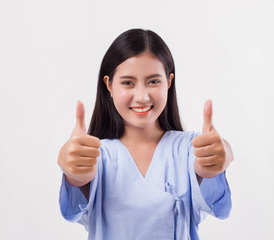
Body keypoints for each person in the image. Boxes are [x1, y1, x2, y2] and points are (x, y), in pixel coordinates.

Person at [57, 28, 233, 240]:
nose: (141, 96)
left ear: (169, 82)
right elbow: (71, 211)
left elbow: (221, 208)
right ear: (109, 85)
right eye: (128, 83)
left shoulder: (191, 149)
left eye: (153, 81)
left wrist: (219, 160)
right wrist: (75, 178)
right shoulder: (95, 155)